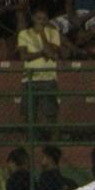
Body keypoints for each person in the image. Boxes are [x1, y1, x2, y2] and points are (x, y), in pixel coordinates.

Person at [17, 8, 62, 136]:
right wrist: (42, 53)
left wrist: (42, 34)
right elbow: (24, 56)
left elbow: (51, 53)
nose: (41, 21)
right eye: (38, 18)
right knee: (29, 114)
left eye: (44, 19)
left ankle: (54, 141)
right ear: (33, 19)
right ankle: (30, 140)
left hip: (49, 78)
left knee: (51, 114)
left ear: (47, 20)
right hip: (30, 78)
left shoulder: (53, 33)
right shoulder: (24, 34)